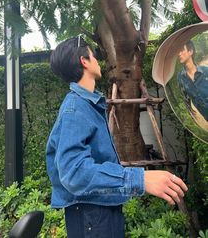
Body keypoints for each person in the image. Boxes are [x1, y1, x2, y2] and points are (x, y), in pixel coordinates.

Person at [46, 36, 188, 238]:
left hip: (99, 210)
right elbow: (73, 172)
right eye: (93, 55)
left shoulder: (87, 105)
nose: (97, 60)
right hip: (92, 217)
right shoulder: (75, 107)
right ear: (84, 61)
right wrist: (141, 178)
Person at [177, 40, 208, 128]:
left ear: (190, 51)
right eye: (177, 51)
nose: (179, 54)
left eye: (182, 50)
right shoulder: (181, 77)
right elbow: (186, 100)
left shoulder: (206, 71)